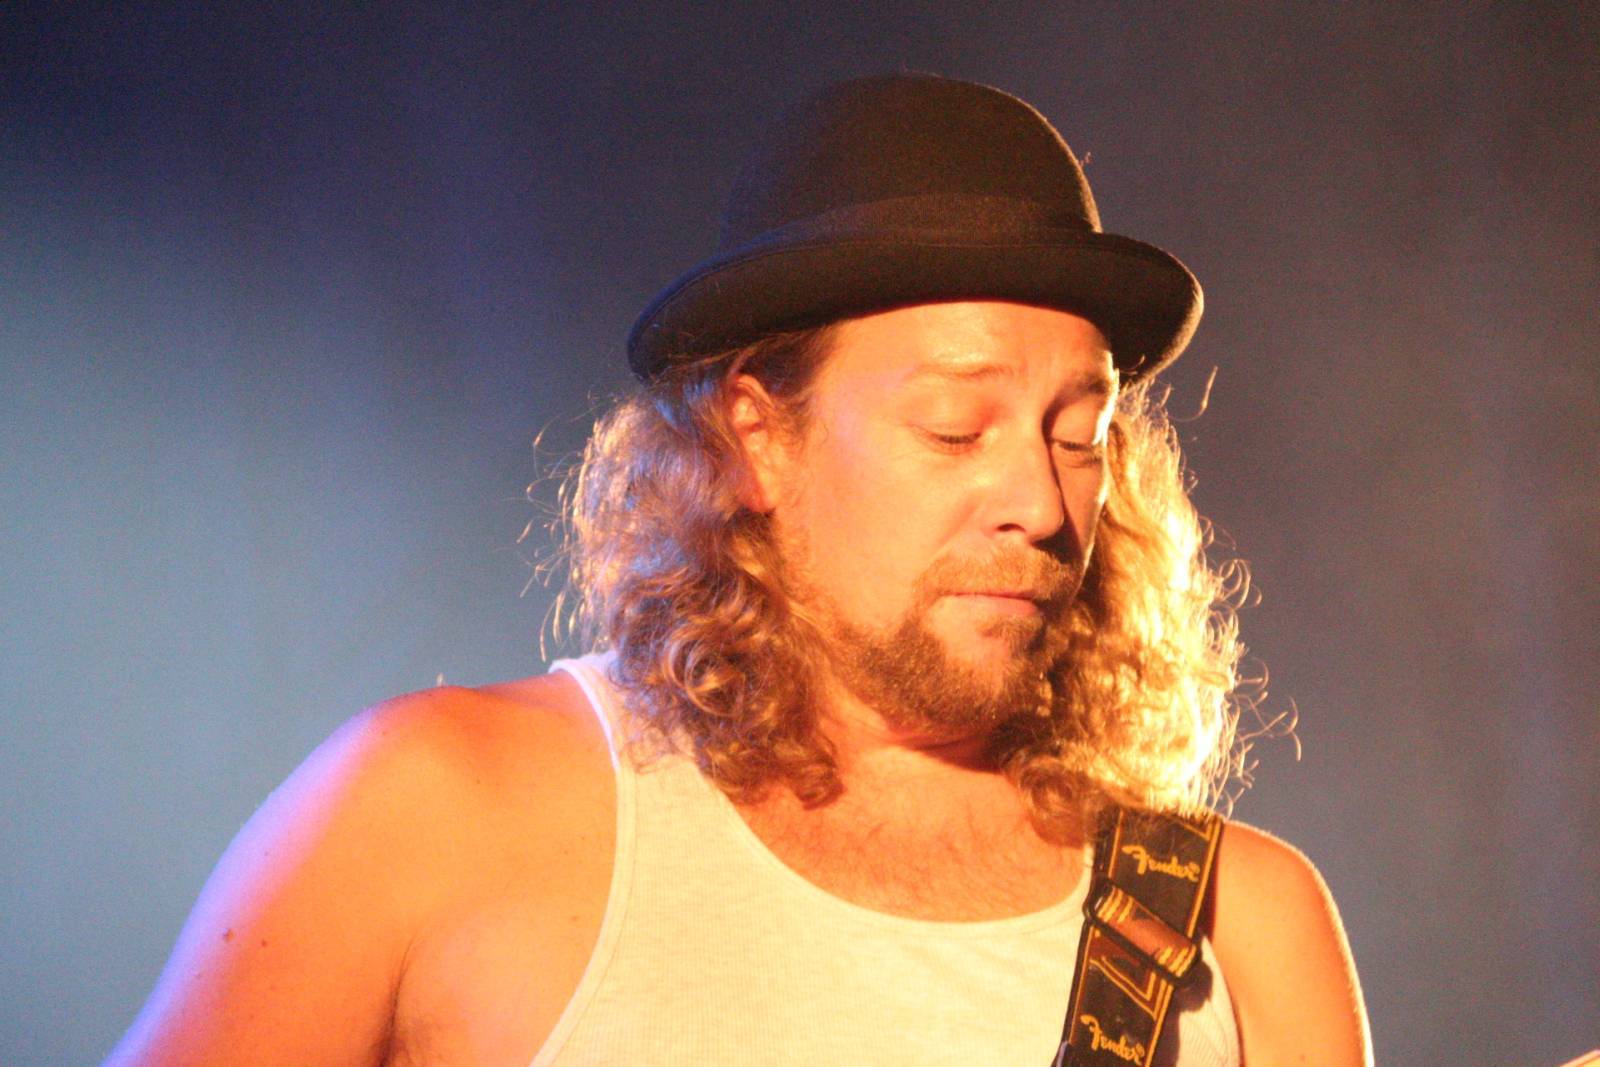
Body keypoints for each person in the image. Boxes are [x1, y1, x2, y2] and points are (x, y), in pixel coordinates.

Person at [109, 74, 1369, 1066]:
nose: (1041, 504)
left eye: (1079, 435)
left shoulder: (1237, 922)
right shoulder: (435, 810)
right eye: (952, 427)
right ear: (758, 437)